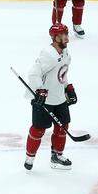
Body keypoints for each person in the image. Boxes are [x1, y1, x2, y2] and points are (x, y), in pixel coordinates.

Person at [24, 24, 75, 171]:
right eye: (64, 34)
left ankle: (57, 156)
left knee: (63, 127)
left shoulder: (65, 53)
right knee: (38, 130)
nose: (67, 37)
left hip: (59, 98)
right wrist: (40, 90)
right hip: (44, 100)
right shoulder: (48, 54)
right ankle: (30, 156)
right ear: (55, 37)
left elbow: (62, 73)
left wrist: (68, 87)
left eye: (67, 34)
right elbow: (33, 74)